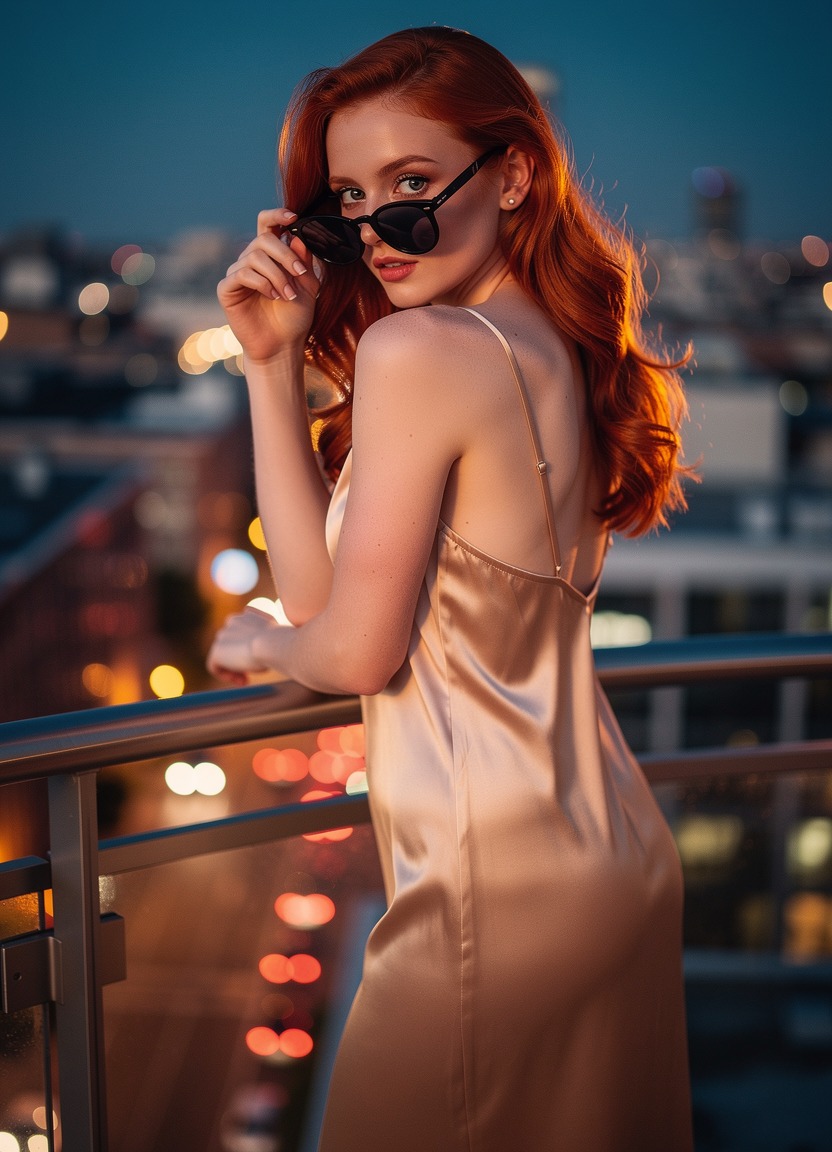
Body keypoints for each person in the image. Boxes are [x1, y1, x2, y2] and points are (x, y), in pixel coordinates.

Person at [207, 26, 694, 1151]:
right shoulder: (558, 347)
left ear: (515, 172)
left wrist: (259, 645)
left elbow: (346, 650)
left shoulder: (421, 350)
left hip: (492, 890)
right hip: (610, 858)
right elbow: (343, 599)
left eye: (412, 187)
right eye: (348, 200)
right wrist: (271, 367)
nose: (377, 231)